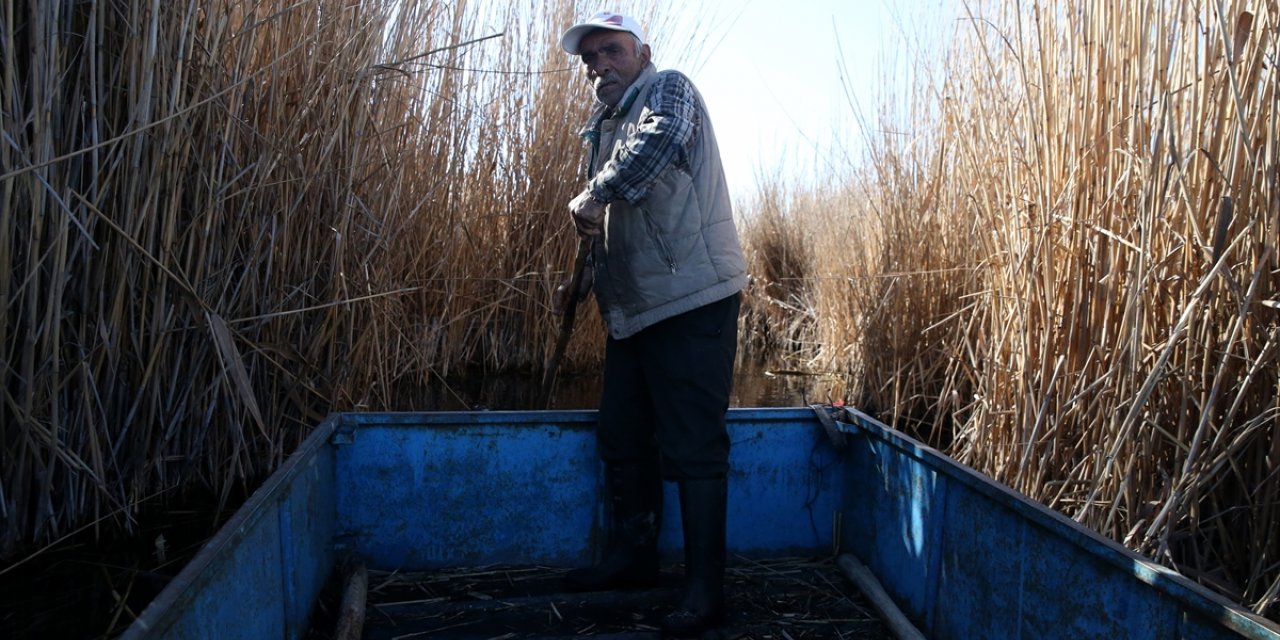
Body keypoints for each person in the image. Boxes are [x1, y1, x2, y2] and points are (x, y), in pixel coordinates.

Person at [555, 11, 748, 637]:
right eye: (590, 60)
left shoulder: (669, 89)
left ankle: (704, 593)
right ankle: (634, 559)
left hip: (693, 298)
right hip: (635, 310)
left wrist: (592, 195)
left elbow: (657, 146)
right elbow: (611, 222)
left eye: (611, 52)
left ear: (642, 52)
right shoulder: (605, 127)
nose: (599, 67)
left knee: (693, 447)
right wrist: (584, 278)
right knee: (622, 437)